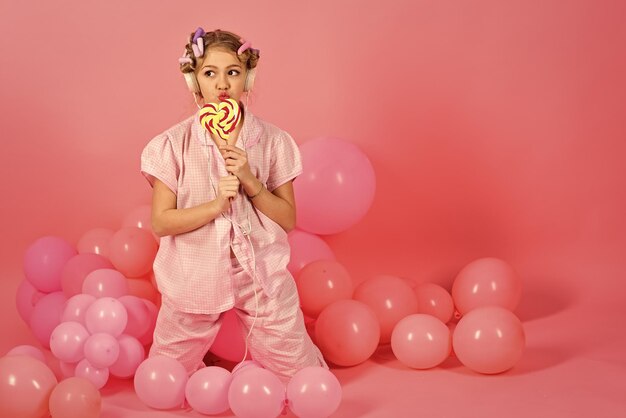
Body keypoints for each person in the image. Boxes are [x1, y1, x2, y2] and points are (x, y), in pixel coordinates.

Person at [140, 27, 327, 380]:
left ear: (248, 79)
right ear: (194, 82)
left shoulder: (273, 141)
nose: (221, 84)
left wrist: (249, 179)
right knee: (163, 377)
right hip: (193, 274)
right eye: (209, 73)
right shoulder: (171, 145)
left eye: (233, 72)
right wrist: (215, 205)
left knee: (300, 374)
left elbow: (287, 219)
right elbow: (161, 222)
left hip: (261, 274)